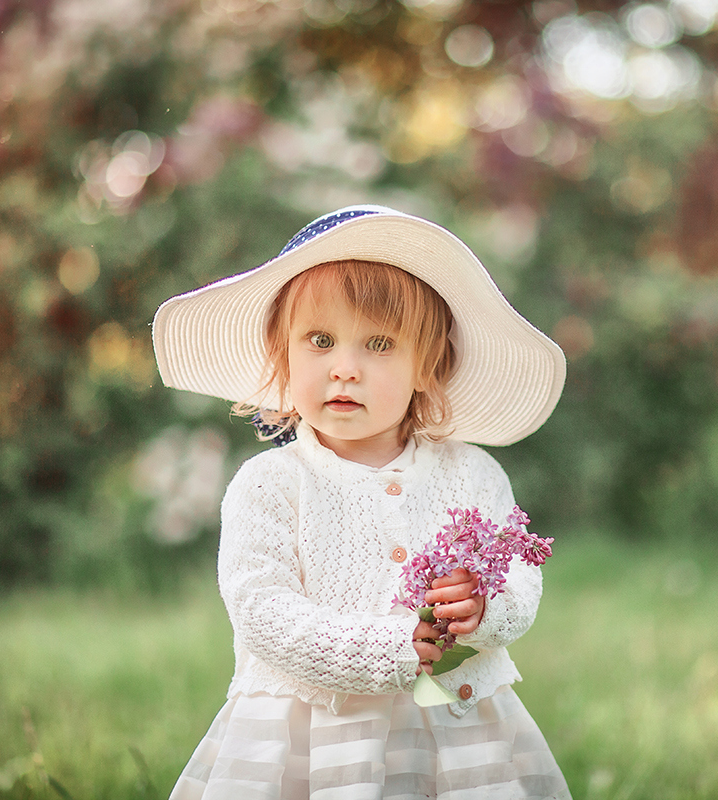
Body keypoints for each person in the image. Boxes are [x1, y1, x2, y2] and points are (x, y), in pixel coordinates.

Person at [151, 205, 570, 799]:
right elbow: (262, 609)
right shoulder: (270, 484)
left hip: (453, 732)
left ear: (428, 366)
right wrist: (389, 649)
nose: (344, 369)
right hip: (317, 739)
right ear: (284, 354)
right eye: (319, 341)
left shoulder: (472, 474)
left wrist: (480, 606)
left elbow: (520, 581)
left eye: (379, 344)